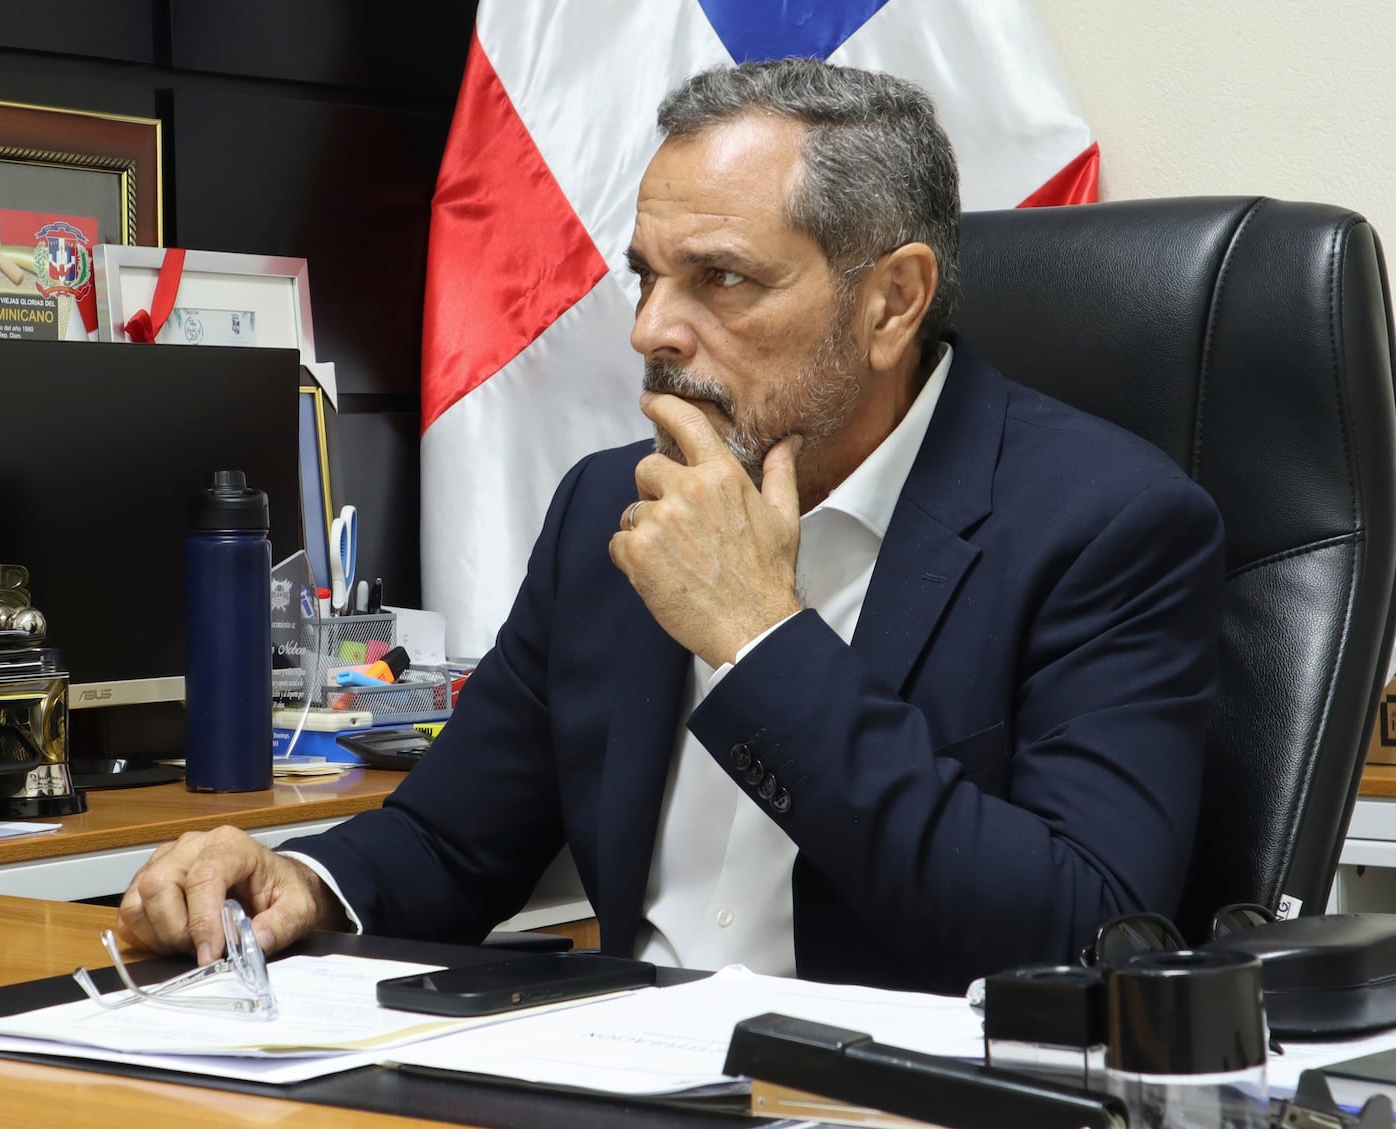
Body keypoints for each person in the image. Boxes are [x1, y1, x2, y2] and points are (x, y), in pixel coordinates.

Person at [119, 59, 1224, 995]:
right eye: (648, 276)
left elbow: (1086, 934)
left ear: (891, 301)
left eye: (722, 280)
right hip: (619, 1076)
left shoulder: (1108, 525)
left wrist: (756, 637)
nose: (653, 329)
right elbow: (452, 838)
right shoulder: (611, 506)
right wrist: (300, 882)